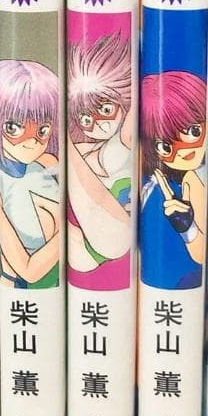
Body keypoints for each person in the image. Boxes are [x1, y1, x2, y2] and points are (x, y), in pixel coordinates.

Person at [67, 33, 133, 290]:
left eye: (106, 110)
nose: (98, 124)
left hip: (113, 232)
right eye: (86, 120)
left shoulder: (121, 143)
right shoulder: (86, 147)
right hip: (83, 240)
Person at [0, 59, 60, 289]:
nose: (31, 142)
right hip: (21, 292)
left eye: (42, 130)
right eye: (13, 128)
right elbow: (29, 270)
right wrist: (73, 230)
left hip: (66, 287)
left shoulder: (46, 164)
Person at [140, 71, 207, 289]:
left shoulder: (195, 179)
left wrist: (187, 226)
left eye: (194, 131)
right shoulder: (154, 184)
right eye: (166, 146)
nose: (185, 150)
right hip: (161, 282)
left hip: (192, 285)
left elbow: (200, 254)